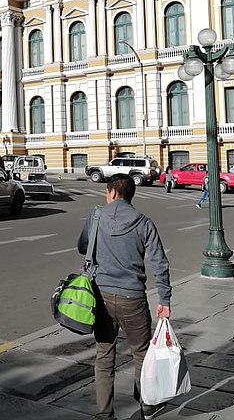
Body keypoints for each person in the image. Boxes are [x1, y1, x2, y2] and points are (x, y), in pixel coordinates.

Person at [77, 174, 171, 420]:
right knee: (141, 353)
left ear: (112, 193)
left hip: (102, 296)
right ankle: (146, 405)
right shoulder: (143, 223)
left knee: (104, 354)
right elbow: (159, 263)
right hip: (133, 298)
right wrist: (165, 299)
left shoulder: (96, 216)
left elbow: (83, 246)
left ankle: (104, 413)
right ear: (130, 195)